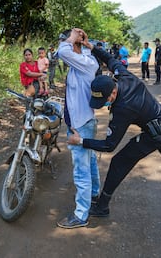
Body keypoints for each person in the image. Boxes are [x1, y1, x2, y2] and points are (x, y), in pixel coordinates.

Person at [67, 35, 161, 223]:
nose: (105, 103)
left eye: (105, 99)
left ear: (113, 92)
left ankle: (102, 206)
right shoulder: (124, 76)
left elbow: (109, 145)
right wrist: (90, 46)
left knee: (118, 162)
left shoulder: (123, 107)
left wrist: (81, 141)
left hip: (155, 134)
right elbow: (111, 59)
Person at [56, 28, 100, 229]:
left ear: (73, 44)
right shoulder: (84, 62)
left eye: (65, 41)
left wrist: (73, 39)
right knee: (90, 161)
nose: (63, 44)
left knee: (81, 172)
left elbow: (63, 52)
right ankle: (94, 194)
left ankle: (81, 215)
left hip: (81, 126)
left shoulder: (83, 64)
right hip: (84, 122)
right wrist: (81, 43)